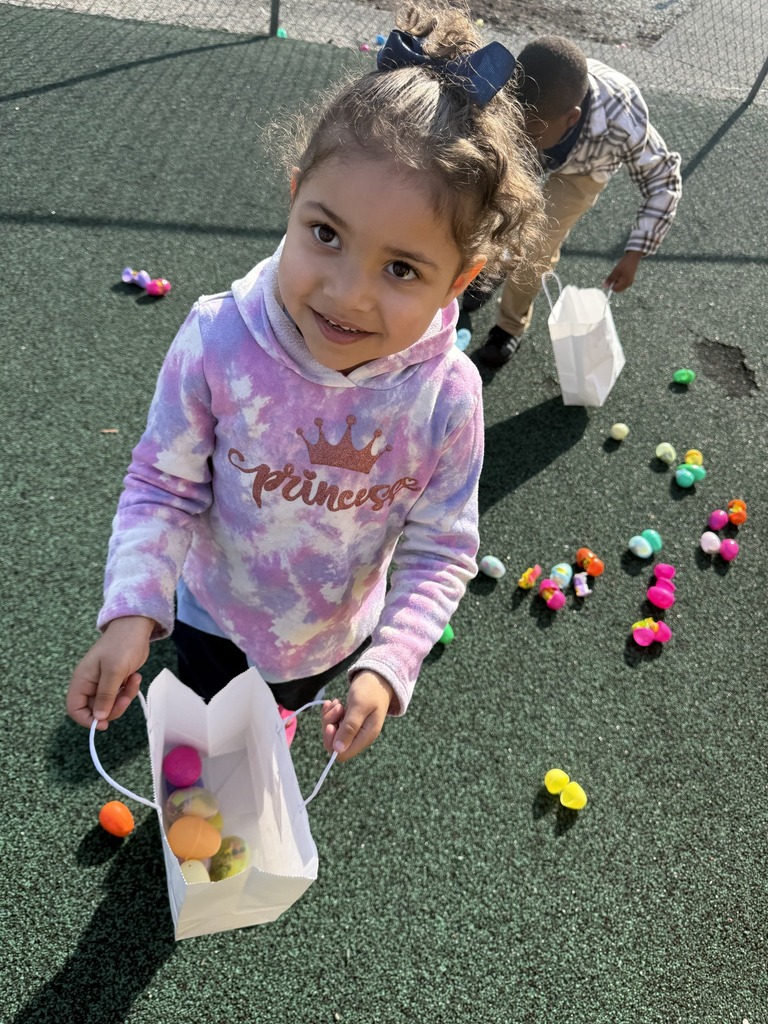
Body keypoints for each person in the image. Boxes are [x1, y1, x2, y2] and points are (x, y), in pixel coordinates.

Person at [66, 4, 546, 761]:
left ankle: (271, 733)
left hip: (331, 638)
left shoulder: (447, 396)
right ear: (294, 200)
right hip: (209, 617)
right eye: (325, 234)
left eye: (401, 268)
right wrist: (132, 612)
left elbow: (442, 548)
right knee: (205, 718)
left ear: (462, 279)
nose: (347, 294)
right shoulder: (218, 341)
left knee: (271, 723)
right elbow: (163, 486)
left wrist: (388, 665)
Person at [471, 35, 682, 367]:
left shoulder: (623, 121)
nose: (524, 140)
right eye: (517, 124)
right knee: (497, 210)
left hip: (585, 169)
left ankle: (508, 327)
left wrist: (635, 253)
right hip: (552, 139)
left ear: (571, 118)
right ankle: (490, 269)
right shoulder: (511, 97)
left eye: (533, 131)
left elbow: (664, 181)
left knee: (539, 243)